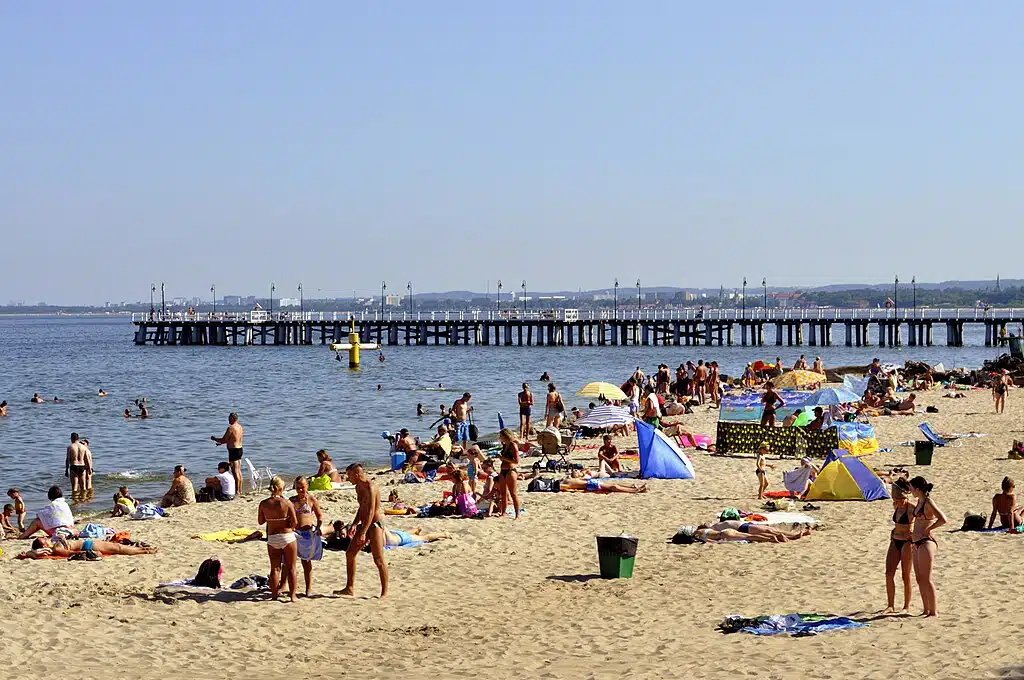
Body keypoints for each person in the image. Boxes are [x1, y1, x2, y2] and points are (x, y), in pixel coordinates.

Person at [336, 463, 388, 598]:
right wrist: (354, 524)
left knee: (378, 559)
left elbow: (371, 510)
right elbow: (362, 508)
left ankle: (384, 592)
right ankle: (349, 587)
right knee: (350, 553)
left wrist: (364, 532)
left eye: (349, 475)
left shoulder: (371, 487)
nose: (348, 478)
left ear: (357, 474)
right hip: (364, 524)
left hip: (375, 524)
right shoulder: (358, 487)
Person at [909, 476, 947, 617]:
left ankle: (933, 611)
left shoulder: (928, 502)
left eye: (912, 487)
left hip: (926, 542)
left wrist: (929, 529)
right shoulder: (919, 501)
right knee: (919, 578)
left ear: (917, 489)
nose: (910, 490)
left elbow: (943, 519)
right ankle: (926, 609)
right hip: (915, 542)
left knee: (927, 578)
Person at [258, 476, 298, 602]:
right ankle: (292, 596)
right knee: (291, 568)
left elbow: (260, 521)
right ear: (281, 488)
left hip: (272, 538)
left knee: (275, 569)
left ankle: (274, 596)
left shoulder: (264, 504)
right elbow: (295, 522)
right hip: (287, 537)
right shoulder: (286, 503)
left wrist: (271, 519)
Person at [290, 476, 324, 596]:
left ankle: (308, 588)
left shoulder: (311, 499)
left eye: (302, 487)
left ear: (307, 486)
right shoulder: (292, 500)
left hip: (308, 533)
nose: (300, 490)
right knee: (289, 561)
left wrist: (319, 527)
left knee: (306, 561)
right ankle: (285, 586)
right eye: (298, 488)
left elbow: (319, 515)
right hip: (295, 533)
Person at [885, 478, 914, 613]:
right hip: (895, 539)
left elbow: (927, 519)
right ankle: (890, 605)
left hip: (907, 542)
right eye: (895, 500)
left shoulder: (912, 508)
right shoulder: (896, 506)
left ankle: (906, 606)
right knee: (889, 573)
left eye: (899, 500)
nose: (897, 503)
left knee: (905, 575)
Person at [23, 535, 157, 558]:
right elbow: (71, 554)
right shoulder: (57, 548)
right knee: (118, 549)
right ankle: (145, 551)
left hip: (88, 543)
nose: (46, 538)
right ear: (43, 545)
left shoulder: (55, 544)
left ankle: (144, 550)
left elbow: (30, 552)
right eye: (43, 539)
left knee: (117, 547)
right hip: (88, 545)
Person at [210, 412, 244, 499]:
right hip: (240, 449)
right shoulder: (240, 427)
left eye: (229, 418)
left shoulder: (230, 428)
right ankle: (239, 490)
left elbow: (223, 439)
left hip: (233, 451)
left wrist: (214, 439)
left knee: (235, 471)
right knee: (239, 471)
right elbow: (233, 439)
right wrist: (221, 443)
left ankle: (237, 492)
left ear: (233, 418)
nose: (228, 420)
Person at [708, 519, 811, 542]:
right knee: (768, 531)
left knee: (770, 529)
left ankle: (793, 534)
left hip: (745, 525)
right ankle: (793, 536)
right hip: (743, 528)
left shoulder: (715, 525)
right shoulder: (712, 529)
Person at [496, 428, 521, 519]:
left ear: (506, 436)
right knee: (503, 493)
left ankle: (517, 514)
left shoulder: (513, 445)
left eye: (501, 436)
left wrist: (503, 458)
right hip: (503, 470)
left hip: (511, 471)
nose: (500, 438)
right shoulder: (504, 445)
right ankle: (503, 512)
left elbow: (516, 461)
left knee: (513, 494)